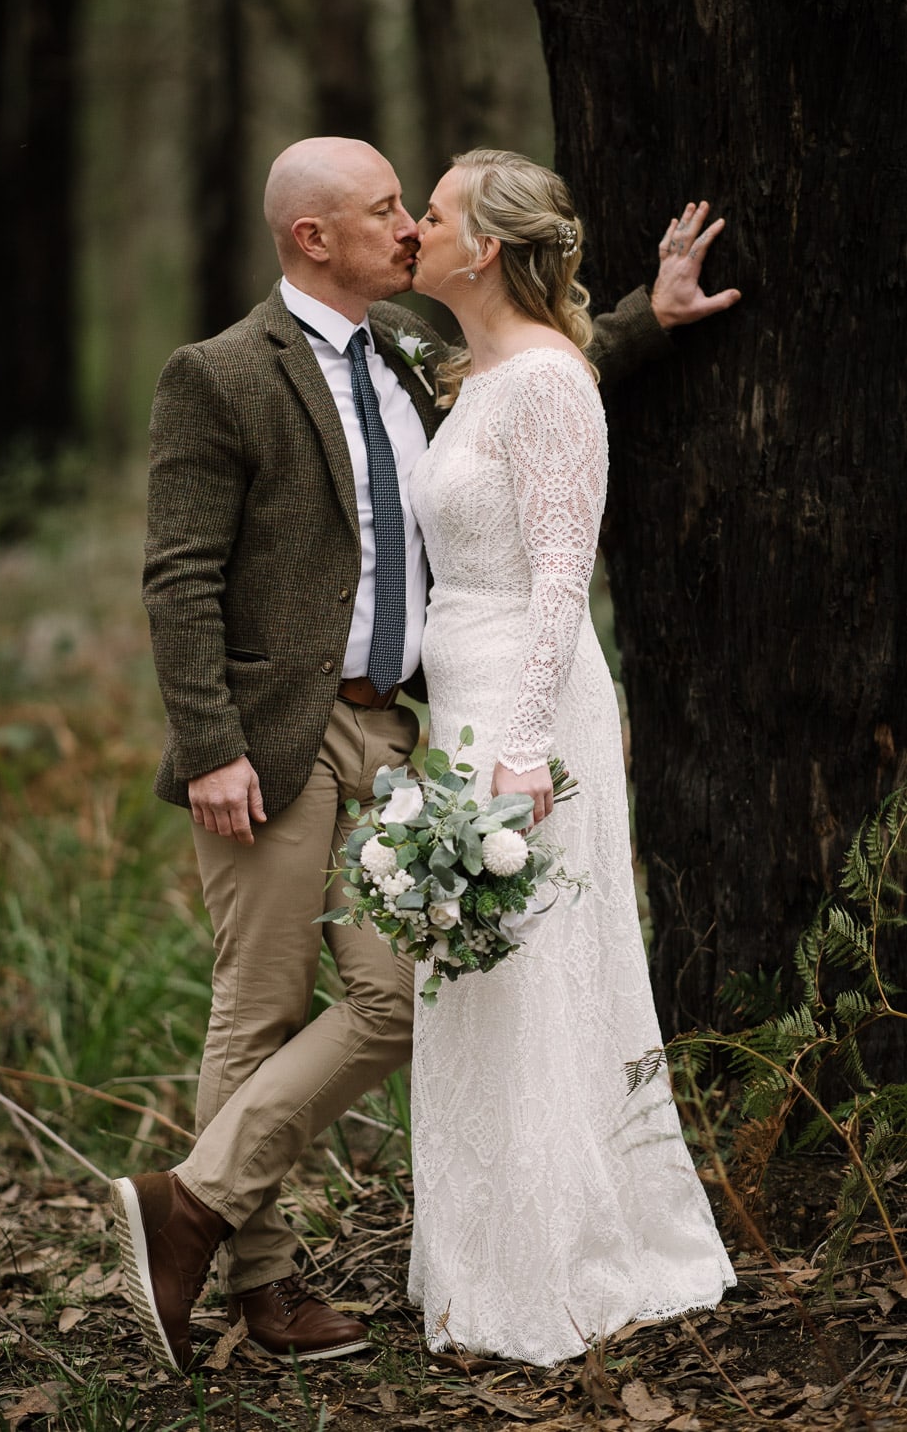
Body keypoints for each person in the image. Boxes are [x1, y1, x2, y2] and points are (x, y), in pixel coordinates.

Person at [110, 134, 737, 1376]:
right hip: (271, 738)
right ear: (313, 239)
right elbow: (176, 574)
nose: (406, 227)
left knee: (401, 995)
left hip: (407, 728)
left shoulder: (408, 355)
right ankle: (260, 1282)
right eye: (384, 209)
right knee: (262, 1002)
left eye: (418, 208)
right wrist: (211, 746)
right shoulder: (222, 374)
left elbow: (535, 386)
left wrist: (646, 319)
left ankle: (187, 1198)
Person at [406, 149, 736, 1366]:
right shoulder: (476, 370)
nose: (413, 231)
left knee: (538, 972)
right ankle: (480, 1257)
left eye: (430, 215)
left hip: (524, 705)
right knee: (477, 977)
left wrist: (527, 745)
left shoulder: (547, 382)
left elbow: (560, 571)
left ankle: (563, 1264)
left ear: (482, 247)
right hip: (460, 702)